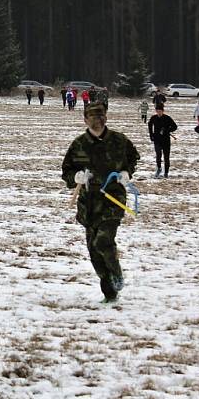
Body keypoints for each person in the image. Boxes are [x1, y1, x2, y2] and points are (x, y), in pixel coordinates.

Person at [62, 102, 139, 303]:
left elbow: (133, 157)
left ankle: (116, 274)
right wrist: (76, 177)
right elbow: (66, 170)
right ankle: (109, 292)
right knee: (94, 251)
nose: (98, 121)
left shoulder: (119, 141)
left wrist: (126, 172)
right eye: (93, 118)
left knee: (103, 241)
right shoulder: (79, 144)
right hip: (89, 203)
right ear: (85, 120)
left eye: (101, 117)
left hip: (113, 199)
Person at [148, 103, 177, 178]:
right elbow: (149, 125)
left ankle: (166, 172)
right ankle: (159, 168)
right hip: (157, 140)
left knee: (166, 157)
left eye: (160, 111)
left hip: (166, 140)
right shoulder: (153, 118)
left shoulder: (167, 118)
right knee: (158, 155)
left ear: (163, 111)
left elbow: (175, 126)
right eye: (157, 111)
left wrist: (167, 130)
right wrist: (151, 135)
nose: (159, 112)